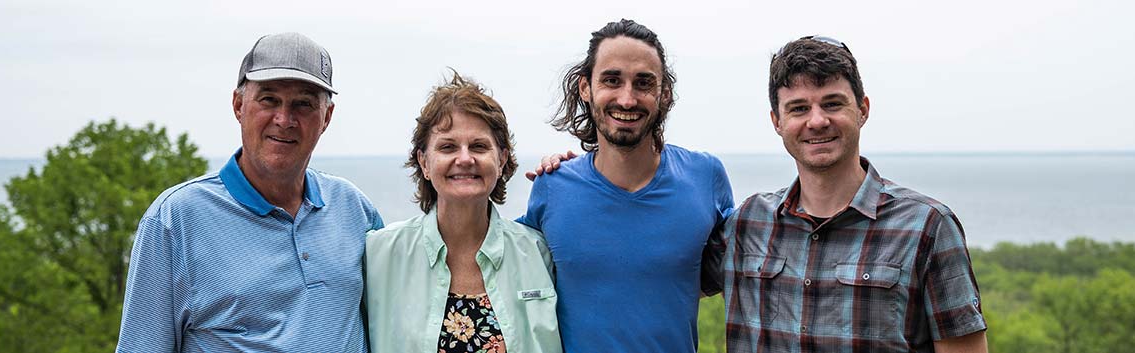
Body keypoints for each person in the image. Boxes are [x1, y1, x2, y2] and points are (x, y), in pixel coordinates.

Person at [709, 35, 988, 352]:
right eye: (799, 108)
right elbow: (659, 280)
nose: (817, 121)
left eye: (832, 103)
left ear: (863, 109)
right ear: (777, 121)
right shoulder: (746, 224)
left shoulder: (928, 227)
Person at [115, 32, 383, 352]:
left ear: (326, 117)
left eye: (304, 104)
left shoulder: (353, 209)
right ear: (239, 105)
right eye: (269, 100)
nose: (284, 120)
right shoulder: (175, 220)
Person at [517, 19, 735, 352]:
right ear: (585, 88)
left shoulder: (706, 177)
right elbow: (512, 276)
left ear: (664, 94)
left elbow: (726, 271)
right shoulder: (552, 187)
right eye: (612, 80)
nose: (627, 99)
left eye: (643, 83)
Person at [365, 71, 562, 352]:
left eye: (479, 146)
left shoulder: (540, 253)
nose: (465, 159)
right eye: (448, 147)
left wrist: (571, 176)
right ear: (424, 163)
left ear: (502, 158)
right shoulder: (378, 255)